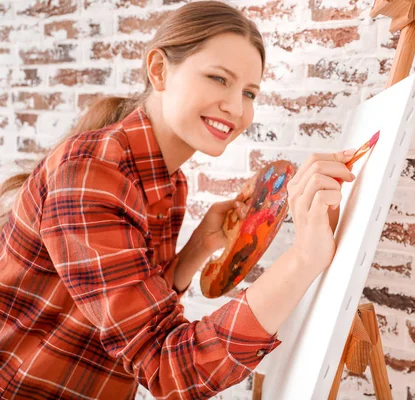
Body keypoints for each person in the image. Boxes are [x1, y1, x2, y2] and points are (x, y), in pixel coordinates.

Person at [0, 1, 356, 399]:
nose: (236, 108)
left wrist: (197, 250)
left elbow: (130, 312)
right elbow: (169, 369)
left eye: (249, 92)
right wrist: (303, 258)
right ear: (159, 70)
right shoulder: (92, 173)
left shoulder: (171, 181)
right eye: (218, 79)